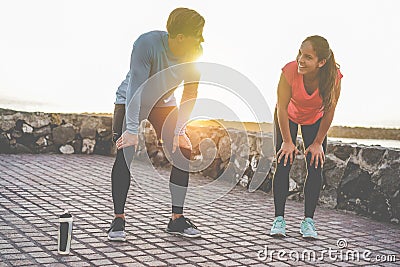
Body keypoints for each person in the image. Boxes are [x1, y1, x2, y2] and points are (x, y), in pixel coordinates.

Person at [107, 7, 205, 241]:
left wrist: (179, 130)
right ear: (180, 37)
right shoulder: (146, 44)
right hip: (130, 100)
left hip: (163, 104)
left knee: (182, 149)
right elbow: (135, 89)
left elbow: (190, 93)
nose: (202, 40)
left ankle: (176, 220)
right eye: (198, 34)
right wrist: (131, 130)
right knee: (125, 149)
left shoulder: (195, 52)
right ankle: (118, 219)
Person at [269, 35, 343, 239]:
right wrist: (287, 141)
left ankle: (308, 222)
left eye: (308, 57)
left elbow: (329, 110)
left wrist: (318, 142)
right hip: (288, 116)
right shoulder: (290, 70)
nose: (301, 59)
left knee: (316, 165)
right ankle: (279, 220)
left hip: (315, 120)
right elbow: (281, 107)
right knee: (283, 161)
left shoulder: (333, 77)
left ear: (321, 62)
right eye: (300, 53)